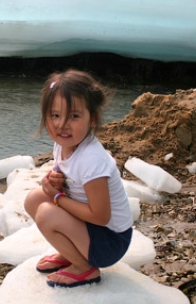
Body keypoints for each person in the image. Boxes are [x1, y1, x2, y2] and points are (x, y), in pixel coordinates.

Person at [24, 69, 133, 288]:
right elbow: (69, 181)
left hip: (110, 242)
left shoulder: (91, 160)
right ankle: (70, 254)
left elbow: (100, 216)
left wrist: (57, 198)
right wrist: (53, 182)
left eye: (74, 116)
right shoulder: (63, 144)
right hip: (91, 229)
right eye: (55, 115)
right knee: (34, 199)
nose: (62, 124)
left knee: (46, 213)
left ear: (92, 118)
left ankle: (84, 268)